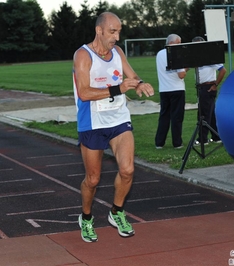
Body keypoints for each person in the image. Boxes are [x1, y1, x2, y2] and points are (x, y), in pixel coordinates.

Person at [72, 12, 155, 243]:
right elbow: (85, 93)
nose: (117, 37)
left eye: (119, 31)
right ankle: (86, 218)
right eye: (112, 32)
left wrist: (139, 84)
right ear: (99, 31)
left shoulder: (118, 52)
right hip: (92, 123)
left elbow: (132, 76)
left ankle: (116, 212)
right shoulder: (83, 55)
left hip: (118, 120)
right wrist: (119, 88)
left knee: (127, 170)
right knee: (93, 179)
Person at [155, 34, 188, 149]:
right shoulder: (176, 54)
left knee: (164, 116)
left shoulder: (159, 54)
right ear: (174, 43)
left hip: (164, 89)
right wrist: (187, 67)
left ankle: (159, 142)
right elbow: (181, 75)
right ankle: (177, 143)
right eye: (179, 43)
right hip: (177, 88)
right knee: (177, 117)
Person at [192, 36, 227, 145]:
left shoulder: (209, 57)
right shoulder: (197, 57)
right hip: (201, 87)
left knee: (203, 113)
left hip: (208, 87)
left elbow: (223, 70)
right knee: (210, 113)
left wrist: (215, 84)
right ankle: (216, 136)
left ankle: (202, 139)